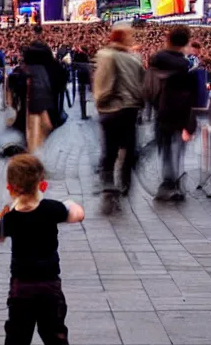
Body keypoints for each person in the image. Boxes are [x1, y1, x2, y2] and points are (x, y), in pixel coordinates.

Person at [0, 154, 84, 345]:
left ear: (10, 188)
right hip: (50, 285)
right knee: (54, 331)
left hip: (21, 287)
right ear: (42, 183)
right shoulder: (52, 209)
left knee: (17, 332)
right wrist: (70, 204)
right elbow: (78, 214)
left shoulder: (12, 217)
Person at [93, 27, 144, 214]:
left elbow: (102, 82)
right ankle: (124, 183)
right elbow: (141, 84)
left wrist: (100, 101)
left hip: (112, 108)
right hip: (130, 108)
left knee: (110, 149)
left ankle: (108, 183)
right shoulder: (135, 59)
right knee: (129, 148)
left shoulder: (106, 55)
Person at [144, 25, 197, 201]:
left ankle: (168, 183)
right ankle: (172, 183)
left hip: (162, 112)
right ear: (185, 42)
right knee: (177, 150)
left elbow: (148, 88)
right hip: (180, 114)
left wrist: (154, 105)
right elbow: (191, 96)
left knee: (166, 149)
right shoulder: (186, 65)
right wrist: (190, 122)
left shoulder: (156, 60)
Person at [73, 46, 91, 120]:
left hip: (80, 77)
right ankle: (84, 114)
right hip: (85, 77)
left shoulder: (77, 55)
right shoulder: (84, 56)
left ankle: (83, 114)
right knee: (83, 96)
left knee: (82, 96)